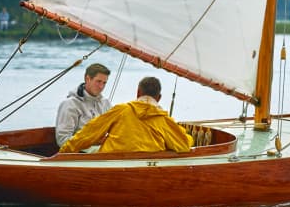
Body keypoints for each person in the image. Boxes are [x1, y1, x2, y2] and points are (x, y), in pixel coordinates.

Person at [59, 76, 193, 154]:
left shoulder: (121, 110)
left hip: (110, 162)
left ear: (138, 93)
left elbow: (90, 131)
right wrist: (188, 136)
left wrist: (65, 151)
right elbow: (184, 145)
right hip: (145, 166)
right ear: (159, 98)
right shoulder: (163, 119)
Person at [55, 63, 112, 146]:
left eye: (104, 83)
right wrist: (92, 141)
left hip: (103, 150)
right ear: (87, 79)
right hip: (81, 153)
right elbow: (62, 140)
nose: (101, 86)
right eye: (98, 81)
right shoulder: (70, 104)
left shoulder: (106, 103)